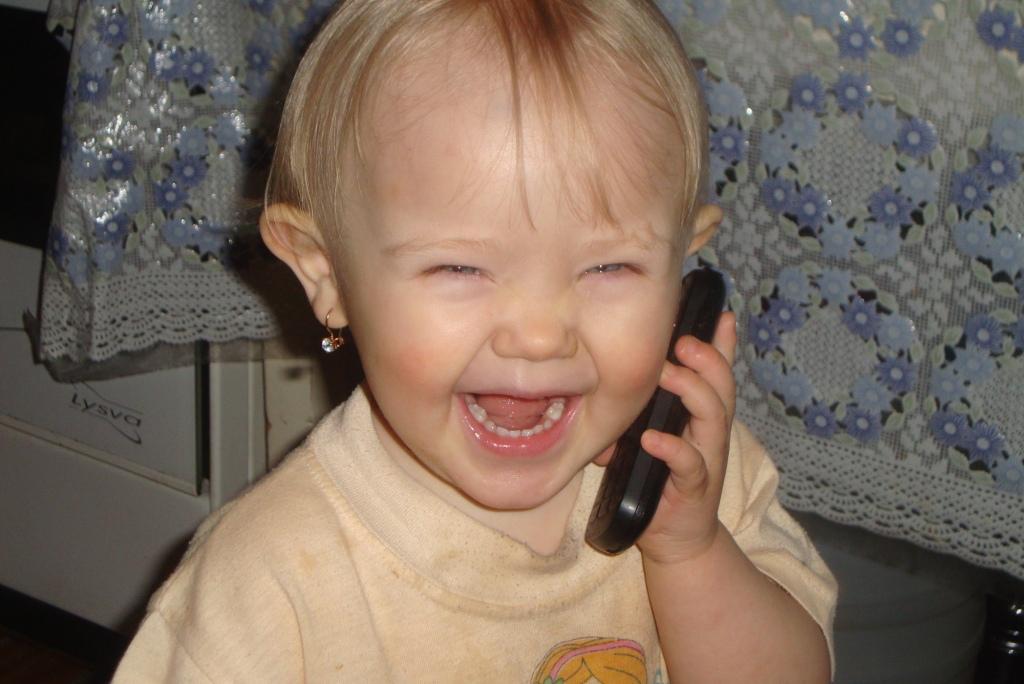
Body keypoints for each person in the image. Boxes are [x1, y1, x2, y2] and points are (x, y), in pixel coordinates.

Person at [114, 1, 836, 681]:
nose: (540, 335)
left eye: (609, 267)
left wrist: (690, 551)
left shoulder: (693, 479)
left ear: (683, 270)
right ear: (326, 275)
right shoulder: (263, 586)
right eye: (460, 267)